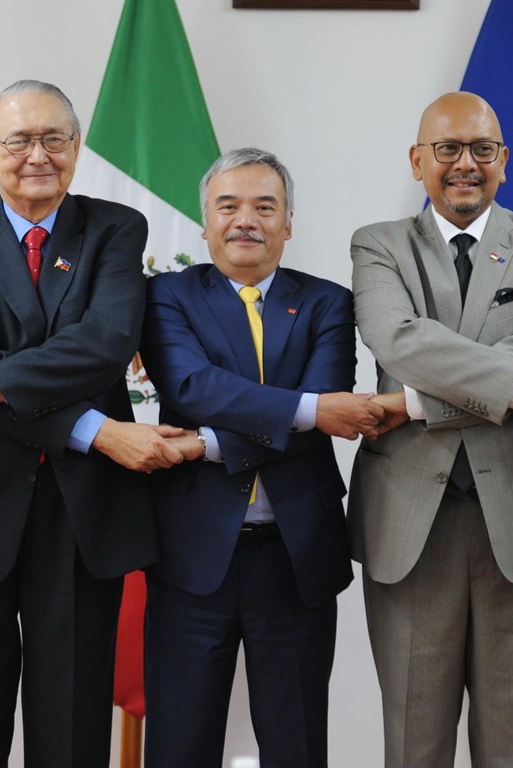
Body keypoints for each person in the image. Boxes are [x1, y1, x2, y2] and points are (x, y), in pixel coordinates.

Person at [0, 79, 182, 768]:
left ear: (76, 146)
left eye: (54, 139)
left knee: (72, 727)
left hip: (83, 508)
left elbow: (105, 343)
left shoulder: (116, 228)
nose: (39, 155)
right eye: (20, 140)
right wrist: (97, 429)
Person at [348, 91, 513, 767]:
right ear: (417, 160)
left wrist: (410, 404)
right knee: (414, 746)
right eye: (447, 148)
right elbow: (400, 342)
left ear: (503, 160)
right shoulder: (379, 244)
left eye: (481, 149)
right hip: (409, 521)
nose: (464, 163)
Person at [138, 148, 386, 767]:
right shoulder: (166, 296)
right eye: (228, 205)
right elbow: (192, 388)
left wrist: (205, 443)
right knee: (178, 745)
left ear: (289, 223)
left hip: (295, 557)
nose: (245, 219)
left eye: (264, 207)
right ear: (205, 222)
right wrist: (304, 409)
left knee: (295, 747)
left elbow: (323, 415)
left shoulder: (329, 302)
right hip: (192, 557)